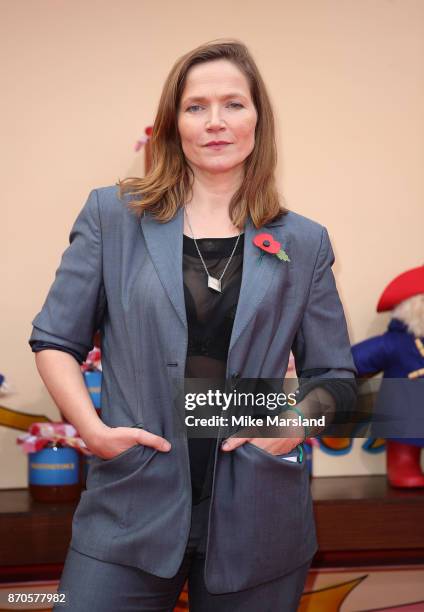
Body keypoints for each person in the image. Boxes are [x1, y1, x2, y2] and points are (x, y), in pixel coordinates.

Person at [29, 39, 357, 611]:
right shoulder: (113, 216)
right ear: (173, 122)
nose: (215, 122)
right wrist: (94, 434)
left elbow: (337, 378)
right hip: (129, 506)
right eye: (195, 106)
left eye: (233, 104)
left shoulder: (304, 242)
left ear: (259, 120)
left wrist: (290, 426)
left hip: (260, 519)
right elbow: (56, 340)